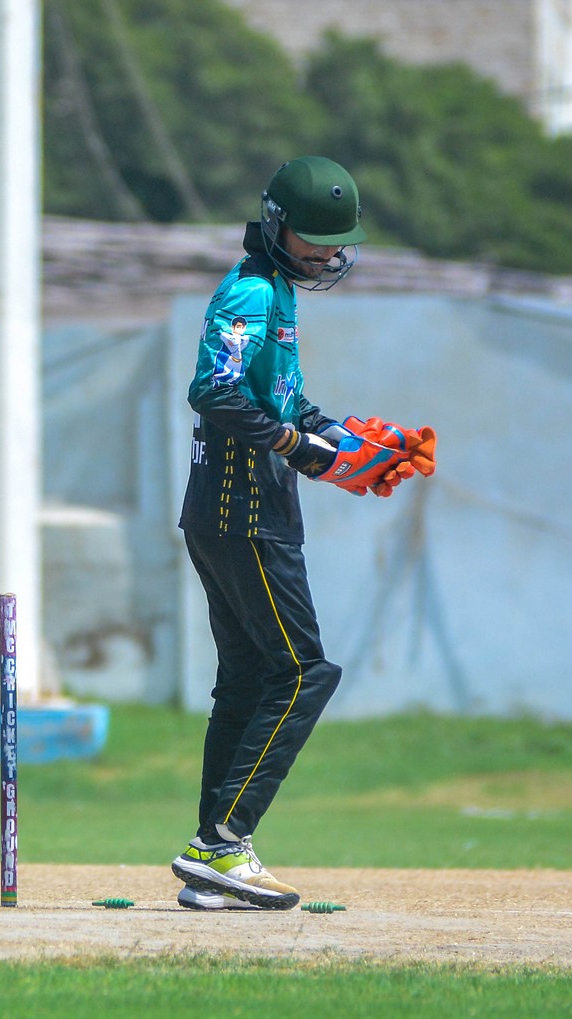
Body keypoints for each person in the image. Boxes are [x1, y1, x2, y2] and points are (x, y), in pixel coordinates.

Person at [171, 157, 427, 911]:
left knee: (249, 680)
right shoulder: (251, 290)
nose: (328, 254)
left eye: (336, 242)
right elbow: (214, 392)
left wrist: (348, 441)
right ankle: (222, 842)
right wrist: (298, 448)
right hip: (244, 509)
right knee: (303, 673)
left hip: (233, 510)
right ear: (277, 224)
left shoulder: (276, 289)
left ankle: (215, 865)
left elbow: (282, 400)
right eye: (315, 239)